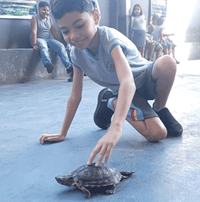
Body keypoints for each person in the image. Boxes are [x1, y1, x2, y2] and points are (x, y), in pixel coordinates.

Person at [39, 0, 183, 167]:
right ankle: (109, 101)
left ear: (95, 16)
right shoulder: (75, 54)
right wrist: (63, 133)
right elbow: (75, 96)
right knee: (158, 133)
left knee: (168, 63)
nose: (73, 36)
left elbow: (128, 80)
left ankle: (159, 108)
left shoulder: (108, 38)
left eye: (79, 25)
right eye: (65, 31)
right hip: (125, 92)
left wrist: (116, 126)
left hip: (143, 78)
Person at [30, 1, 72, 74]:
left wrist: (57, 42)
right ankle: (48, 64)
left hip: (47, 40)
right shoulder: (35, 18)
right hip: (38, 39)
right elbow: (34, 32)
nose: (46, 12)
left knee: (61, 46)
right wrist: (34, 44)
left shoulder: (50, 19)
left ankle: (68, 66)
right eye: (44, 9)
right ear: (39, 9)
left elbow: (54, 31)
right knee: (43, 46)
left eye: (47, 10)